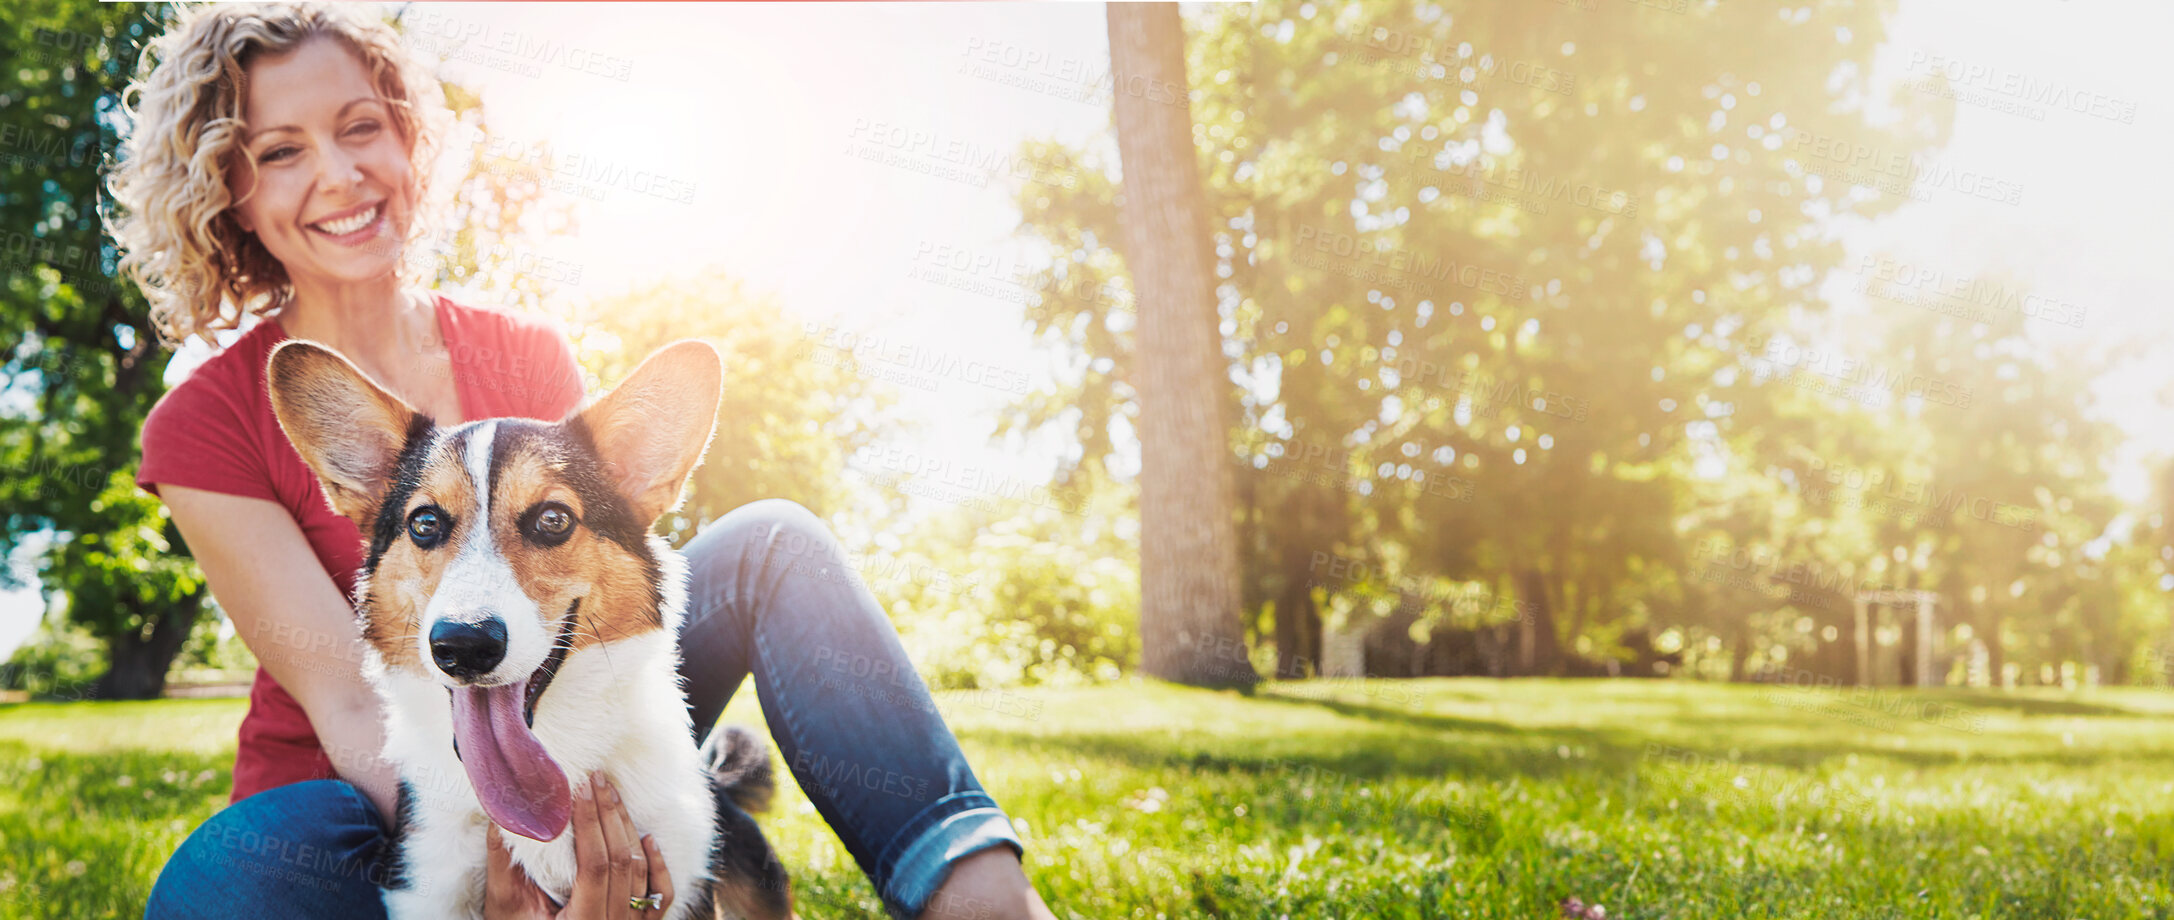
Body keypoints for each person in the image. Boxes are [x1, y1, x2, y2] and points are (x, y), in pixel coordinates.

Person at [107, 5, 1055, 918]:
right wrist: (523, 859)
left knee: (775, 542)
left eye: (362, 127)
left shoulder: (522, 349)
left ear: (408, 141)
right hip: (362, 780)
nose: (342, 174)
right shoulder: (204, 421)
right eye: (281, 151)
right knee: (223, 884)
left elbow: (606, 578)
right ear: (226, 189)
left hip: (568, 695)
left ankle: (982, 900)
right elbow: (357, 707)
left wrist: (633, 809)